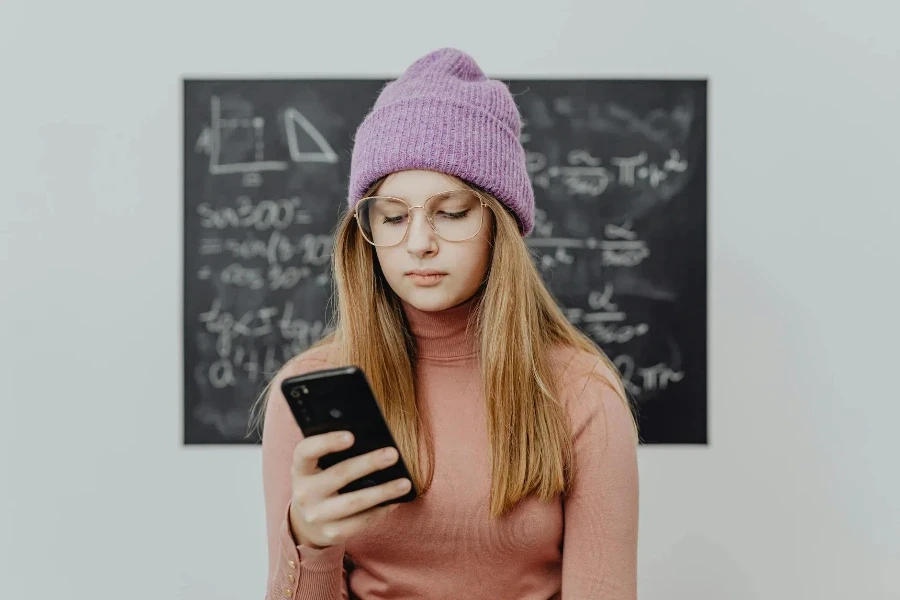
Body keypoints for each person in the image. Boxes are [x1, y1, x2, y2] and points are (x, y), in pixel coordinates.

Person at [251, 47, 640, 600]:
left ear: (496, 224)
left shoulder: (581, 393)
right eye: (391, 216)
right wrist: (308, 542)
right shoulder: (311, 389)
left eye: (450, 212)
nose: (419, 242)